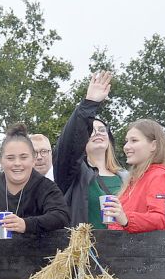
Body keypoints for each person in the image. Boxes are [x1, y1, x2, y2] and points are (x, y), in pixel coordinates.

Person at [0, 124, 69, 234]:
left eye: (23, 157)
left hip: (38, 251)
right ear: (1, 161)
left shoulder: (46, 187)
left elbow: (62, 217)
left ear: (33, 160)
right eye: (10, 158)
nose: (17, 163)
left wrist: (26, 224)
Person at [54, 71, 127, 229]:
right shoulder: (73, 175)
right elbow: (68, 146)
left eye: (102, 130)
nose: (97, 133)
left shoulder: (126, 177)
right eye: (91, 131)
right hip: (86, 251)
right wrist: (89, 104)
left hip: (122, 251)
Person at [105, 119, 165, 233]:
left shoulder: (158, 176)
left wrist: (126, 219)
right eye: (126, 141)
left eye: (134, 140)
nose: (126, 147)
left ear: (153, 145)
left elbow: (162, 219)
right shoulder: (134, 178)